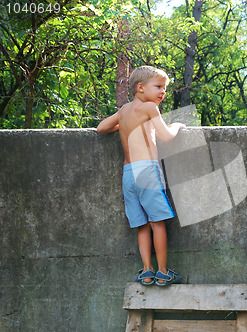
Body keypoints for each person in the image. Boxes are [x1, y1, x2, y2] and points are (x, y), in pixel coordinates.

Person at [97, 65, 185, 286]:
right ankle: (163, 272)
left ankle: (147, 271)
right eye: (158, 87)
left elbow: (101, 128)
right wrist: (176, 125)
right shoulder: (150, 108)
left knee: (141, 225)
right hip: (147, 170)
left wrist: (123, 125)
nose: (162, 92)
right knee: (157, 222)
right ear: (140, 88)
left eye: (164, 88)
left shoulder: (124, 110)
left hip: (128, 173)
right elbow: (166, 136)